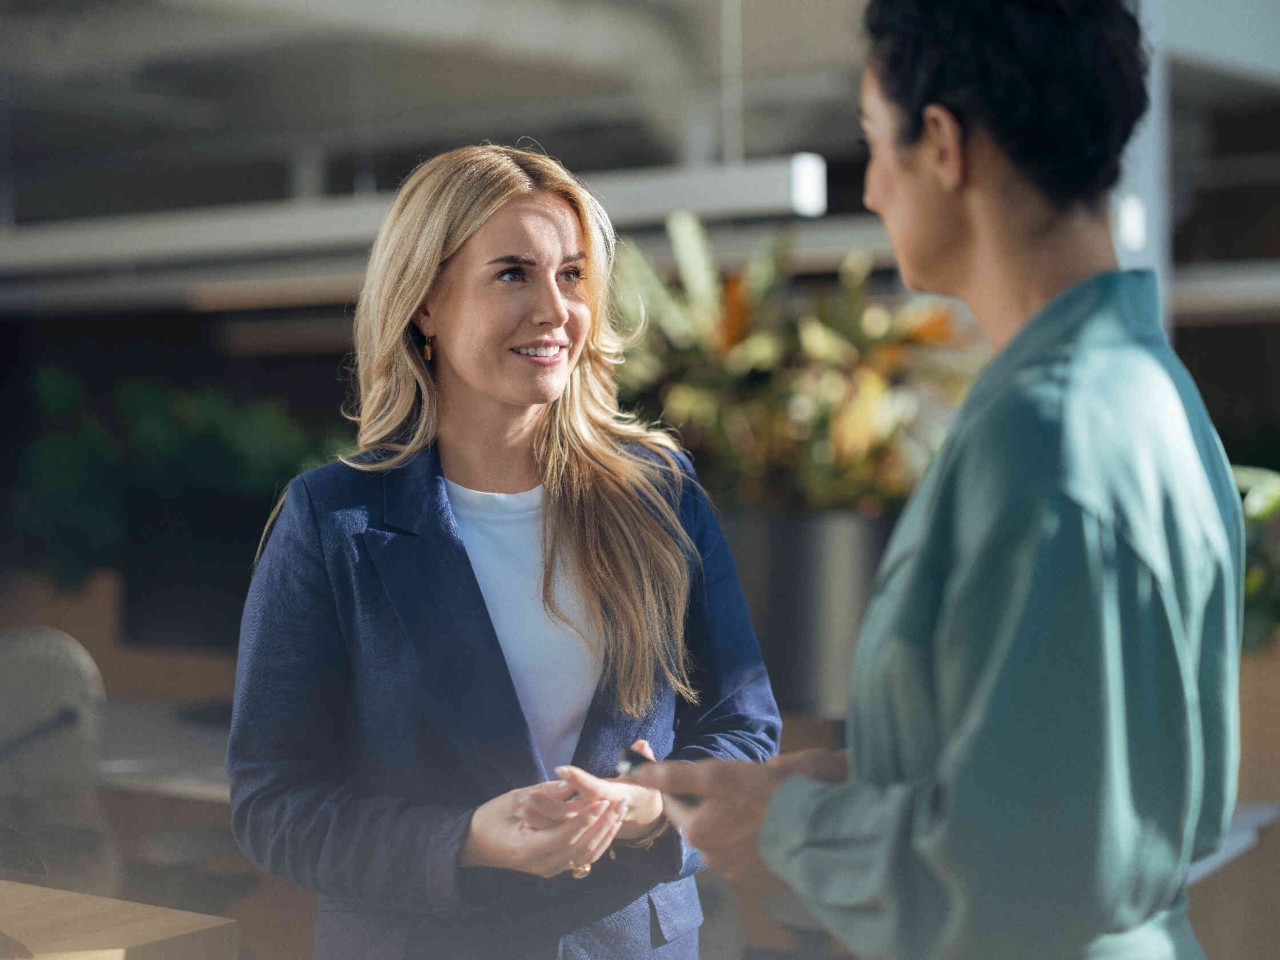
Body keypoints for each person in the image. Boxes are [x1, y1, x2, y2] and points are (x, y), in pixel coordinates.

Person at [633, 2, 1244, 958]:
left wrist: (781, 828)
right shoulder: (1145, 397)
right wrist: (828, 787)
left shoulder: (1050, 441)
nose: (873, 189)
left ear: (947, 147)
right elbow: (1054, 777)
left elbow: (1030, 869)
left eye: (876, 144)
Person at [227, 144, 781, 960]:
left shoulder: (660, 495)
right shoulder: (331, 520)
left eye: (572, 275)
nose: (554, 309)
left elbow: (744, 728)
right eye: (513, 273)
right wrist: (464, 841)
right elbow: (272, 804)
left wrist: (651, 807)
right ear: (425, 303)